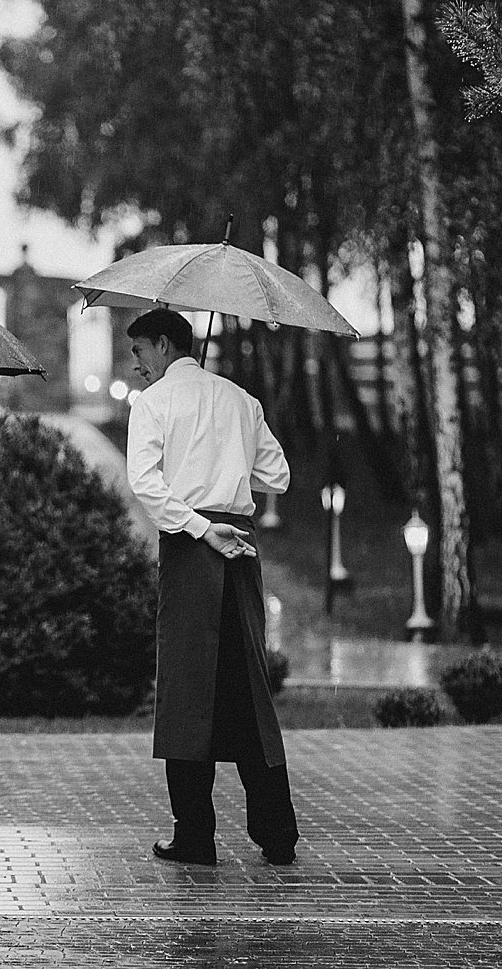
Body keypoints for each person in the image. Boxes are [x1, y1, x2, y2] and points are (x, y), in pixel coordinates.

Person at [123, 308, 299, 867]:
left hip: (192, 544)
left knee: (185, 690)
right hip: (240, 546)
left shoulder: (152, 405)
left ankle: (195, 835)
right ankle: (277, 833)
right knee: (249, 685)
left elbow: (145, 482)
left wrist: (200, 523)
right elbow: (279, 475)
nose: (137, 363)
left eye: (140, 350)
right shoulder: (241, 401)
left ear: (167, 343)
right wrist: (228, 463)